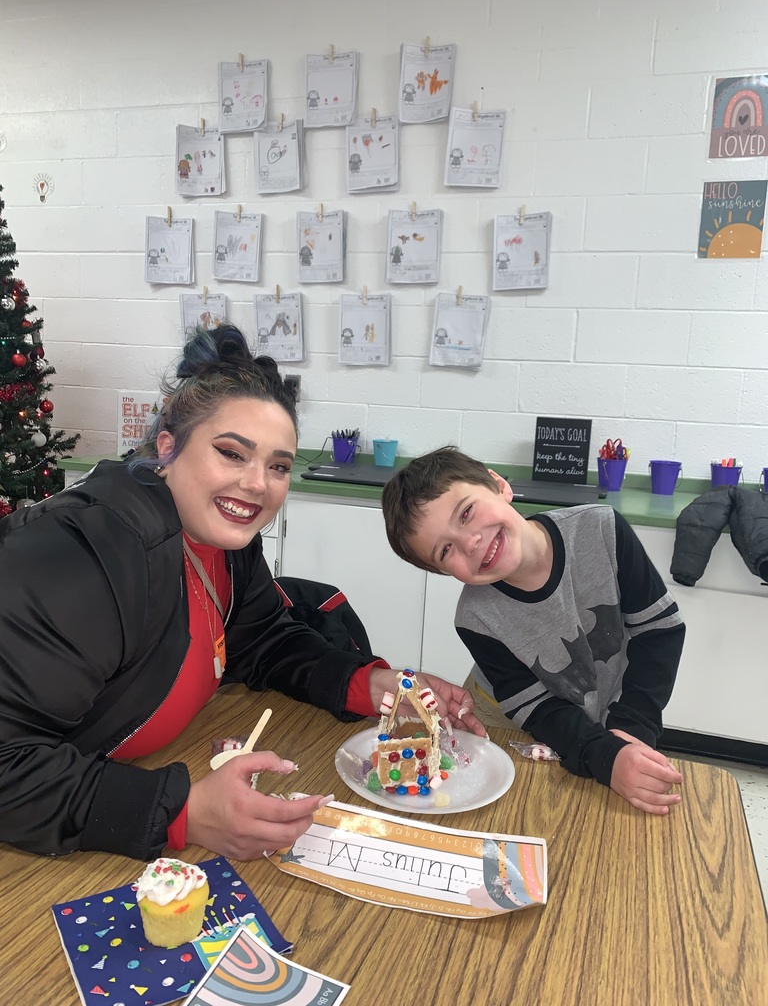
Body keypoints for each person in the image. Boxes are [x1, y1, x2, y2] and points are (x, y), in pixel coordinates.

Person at [0, 328, 482, 861]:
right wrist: (180, 813)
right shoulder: (86, 557)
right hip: (44, 850)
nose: (258, 484)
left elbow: (263, 641)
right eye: (232, 454)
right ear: (168, 447)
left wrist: (371, 686)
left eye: (278, 466)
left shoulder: (226, 544)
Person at [381, 446, 686, 816]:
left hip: (617, 711)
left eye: (466, 513)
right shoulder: (475, 618)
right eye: (445, 551)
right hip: (507, 723)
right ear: (443, 572)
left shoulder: (603, 528)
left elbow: (659, 632)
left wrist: (628, 734)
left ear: (498, 484)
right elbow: (538, 709)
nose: (470, 542)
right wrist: (603, 755)